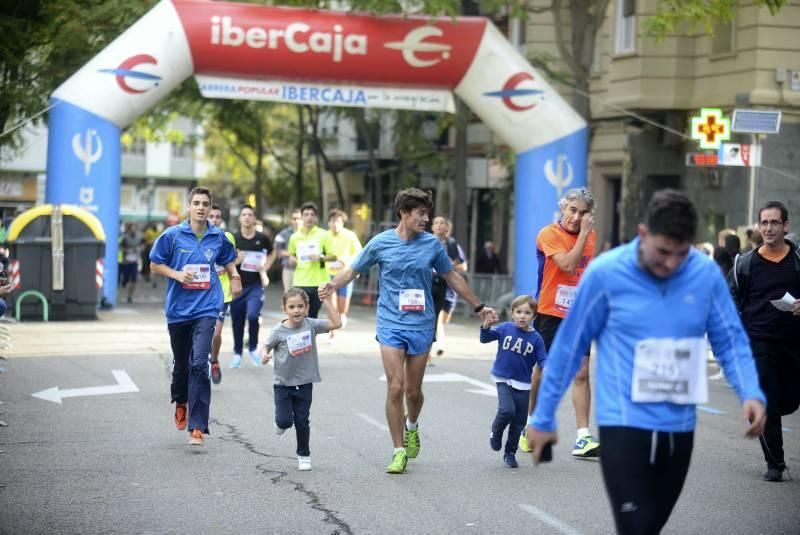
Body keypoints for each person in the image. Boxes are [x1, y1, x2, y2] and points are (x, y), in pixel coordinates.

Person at [527, 189, 766, 535]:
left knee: (651, 524)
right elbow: (568, 345)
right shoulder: (608, 273)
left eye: (680, 254)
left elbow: (730, 341)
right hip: (622, 421)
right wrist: (544, 415)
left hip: (678, 424)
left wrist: (750, 391)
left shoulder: (704, 274)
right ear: (643, 234)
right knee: (634, 526)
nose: (670, 263)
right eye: (662, 252)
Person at [318, 188, 498, 474]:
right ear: (404, 213)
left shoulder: (432, 245)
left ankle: (412, 425)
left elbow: (452, 276)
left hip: (422, 323)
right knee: (395, 386)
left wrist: (479, 307)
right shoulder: (381, 243)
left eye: (427, 213)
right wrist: (332, 285)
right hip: (390, 322)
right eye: (421, 213)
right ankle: (398, 449)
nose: (426, 219)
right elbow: (353, 270)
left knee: (413, 391)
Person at [150, 187, 241, 446]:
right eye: (197, 203)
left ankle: (198, 425)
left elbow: (228, 258)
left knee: (200, 363)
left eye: (206, 204)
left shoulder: (218, 236)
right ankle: (180, 400)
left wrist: (234, 276)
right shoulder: (172, 235)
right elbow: (154, 264)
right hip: (179, 311)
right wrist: (177, 275)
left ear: (211, 209)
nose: (201, 208)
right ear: (188, 206)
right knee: (181, 364)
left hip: (207, 307)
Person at [522, 187, 600, 458]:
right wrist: (583, 238)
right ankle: (531, 423)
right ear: (563, 209)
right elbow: (567, 264)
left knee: (581, 372)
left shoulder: (591, 238)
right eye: (573, 211)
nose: (577, 218)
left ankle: (583, 437)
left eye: (583, 213)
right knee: (543, 372)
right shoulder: (549, 234)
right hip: (550, 311)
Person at [729, 200, 800, 482]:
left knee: (790, 400)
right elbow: (730, 300)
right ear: (759, 227)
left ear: (786, 226)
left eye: (774, 223)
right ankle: (776, 463)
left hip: (793, 342)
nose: (769, 228)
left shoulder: (797, 261)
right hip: (757, 342)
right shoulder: (745, 263)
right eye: (764, 223)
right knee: (767, 400)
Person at [259, 288, 342, 471]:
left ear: (306, 307)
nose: (296, 310)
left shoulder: (311, 324)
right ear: (284, 309)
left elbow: (337, 323)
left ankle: (304, 455)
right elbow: (265, 347)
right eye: (292, 307)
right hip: (283, 384)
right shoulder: (278, 331)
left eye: (300, 306)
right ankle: (280, 422)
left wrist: (327, 300)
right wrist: (265, 355)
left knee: (302, 421)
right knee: (284, 422)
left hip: (305, 382)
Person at [480, 294, 546, 469]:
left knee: (518, 422)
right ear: (512, 313)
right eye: (518, 312)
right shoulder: (505, 328)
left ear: (534, 316)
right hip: (503, 378)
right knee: (506, 410)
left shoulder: (536, 339)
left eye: (527, 312)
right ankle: (496, 430)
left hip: (523, 384)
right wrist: (485, 327)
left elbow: (542, 359)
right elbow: (485, 339)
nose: (522, 316)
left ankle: (510, 453)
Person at [230, 204, 274, 368]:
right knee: (237, 320)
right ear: (240, 218)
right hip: (238, 285)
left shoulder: (262, 238)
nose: (247, 217)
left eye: (250, 214)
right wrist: (237, 261)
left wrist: (265, 267)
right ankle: (237, 353)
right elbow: (226, 262)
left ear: (254, 218)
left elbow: (272, 252)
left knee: (254, 316)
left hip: (255, 285)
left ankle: (253, 348)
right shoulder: (233, 238)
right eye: (244, 214)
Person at [428, 216, 467, 361]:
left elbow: (463, 265)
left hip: (449, 287)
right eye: (436, 223)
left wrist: (449, 266)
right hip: (431, 285)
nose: (439, 226)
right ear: (432, 226)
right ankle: (431, 351)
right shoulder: (426, 241)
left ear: (447, 228)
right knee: (434, 319)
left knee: (443, 321)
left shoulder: (452, 244)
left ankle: (436, 342)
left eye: (442, 223)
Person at [288, 202, 336, 319]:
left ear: (316, 218)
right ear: (302, 217)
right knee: (300, 316)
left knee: (312, 317)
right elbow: (291, 256)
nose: (309, 217)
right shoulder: (294, 237)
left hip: (318, 282)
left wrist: (320, 258)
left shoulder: (324, 234)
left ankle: (311, 337)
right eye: (306, 214)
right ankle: (302, 337)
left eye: (312, 214)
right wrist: (292, 260)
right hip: (300, 281)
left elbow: (334, 256)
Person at [208, 205, 236, 384]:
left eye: (218, 216)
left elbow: (232, 260)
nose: (215, 219)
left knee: (216, 334)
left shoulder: (227, 237)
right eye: (212, 216)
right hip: (201, 291)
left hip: (221, 292)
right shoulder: (198, 237)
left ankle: (214, 360)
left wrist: (233, 275)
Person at [325, 209, 362, 328]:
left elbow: (358, 253)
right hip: (328, 274)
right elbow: (320, 255)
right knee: (332, 303)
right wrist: (333, 259)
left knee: (343, 304)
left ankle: (342, 315)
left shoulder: (350, 235)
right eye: (332, 221)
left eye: (338, 221)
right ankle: (333, 329)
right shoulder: (324, 236)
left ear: (342, 223)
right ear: (329, 223)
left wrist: (346, 260)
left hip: (345, 274)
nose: (335, 224)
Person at [275, 209, 302, 292]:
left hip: (305, 270)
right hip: (289, 269)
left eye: (299, 218)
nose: (297, 221)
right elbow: (277, 250)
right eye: (294, 218)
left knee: (304, 298)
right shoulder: (284, 233)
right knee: (289, 296)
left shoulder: (309, 233)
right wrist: (290, 254)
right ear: (291, 220)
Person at [119, 223, 143, 303]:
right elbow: (120, 247)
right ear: (129, 230)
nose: (133, 231)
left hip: (135, 261)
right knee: (126, 278)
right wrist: (127, 250)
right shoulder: (125, 238)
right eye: (131, 229)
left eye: (134, 229)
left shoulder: (139, 237)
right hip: (126, 261)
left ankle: (130, 296)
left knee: (134, 279)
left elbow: (143, 245)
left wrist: (140, 249)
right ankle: (124, 282)